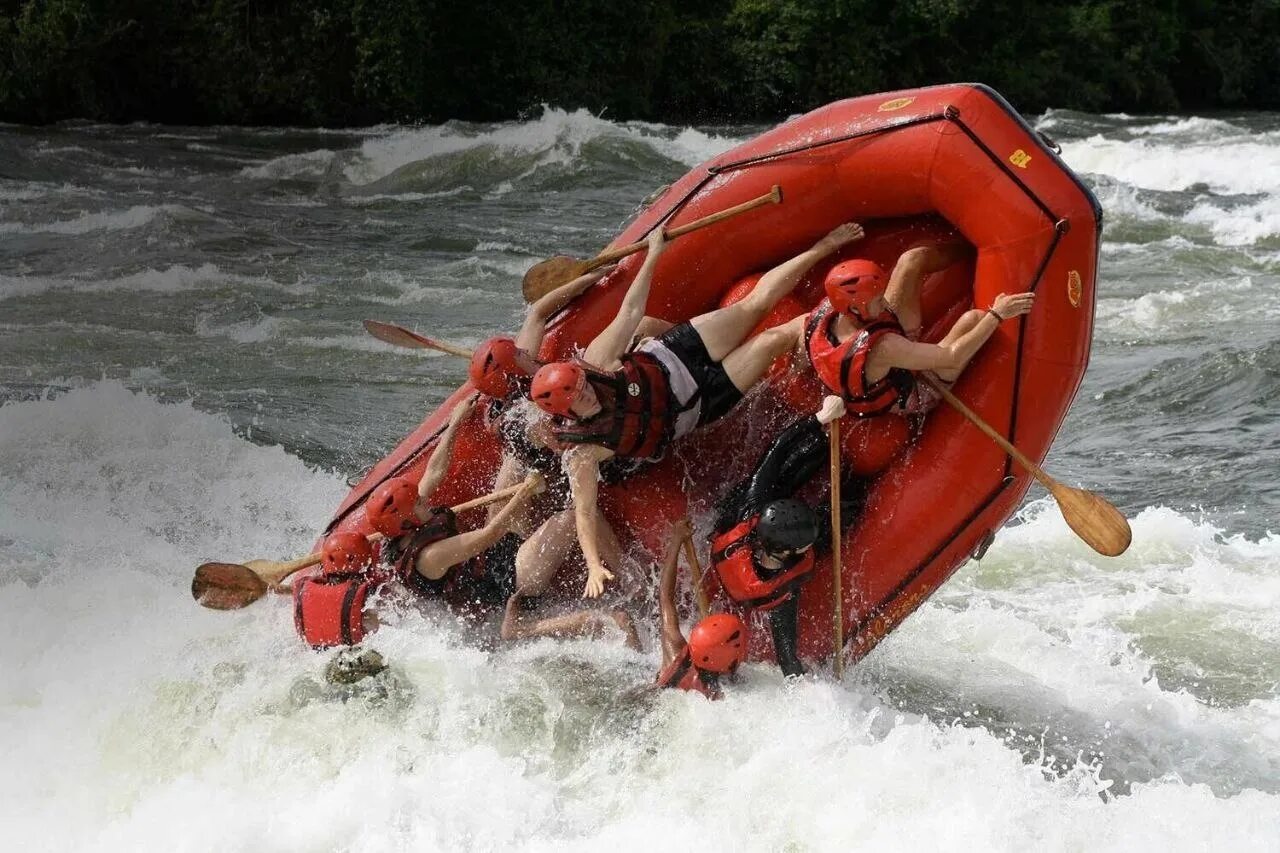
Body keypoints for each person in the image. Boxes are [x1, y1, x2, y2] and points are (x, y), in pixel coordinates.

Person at [530, 222, 867, 598]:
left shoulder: (596, 360)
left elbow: (630, 310)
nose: (587, 393)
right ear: (569, 413)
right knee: (774, 340)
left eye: (581, 385)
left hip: (677, 353)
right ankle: (847, 345)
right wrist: (593, 564)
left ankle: (824, 248)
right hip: (700, 404)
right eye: (578, 398)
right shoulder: (583, 453)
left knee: (752, 306)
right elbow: (585, 514)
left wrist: (653, 253)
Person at [292, 397, 545, 648]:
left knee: (513, 464)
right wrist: (525, 491)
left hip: (484, 561)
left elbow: (434, 471)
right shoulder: (429, 556)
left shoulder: (403, 525)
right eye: (418, 503)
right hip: (498, 585)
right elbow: (491, 533)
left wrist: (455, 423)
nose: (424, 501)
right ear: (408, 520)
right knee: (560, 519)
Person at [708, 395, 864, 677]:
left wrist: (818, 419)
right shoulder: (781, 594)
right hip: (755, 564)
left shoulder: (753, 506)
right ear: (791, 552)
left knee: (790, 469)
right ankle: (854, 486)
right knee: (844, 514)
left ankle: (821, 444)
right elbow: (787, 659)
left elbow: (777, 449)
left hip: (741, 518)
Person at [804, 243, 1035, 416]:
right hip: (914, 387)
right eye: (877, 301)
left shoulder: (830, 310)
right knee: (973, 320)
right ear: (855, 309)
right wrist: (998, 314)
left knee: (911, 260)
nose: (885, 303)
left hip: (889, 345)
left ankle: (974, 247)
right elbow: (952, 358)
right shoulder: (885, 347)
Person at [653, 519, 749, 699]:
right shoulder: (721, 697)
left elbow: (665, 597)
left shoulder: (675, 651)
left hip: (650, 699)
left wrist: (676, 540)